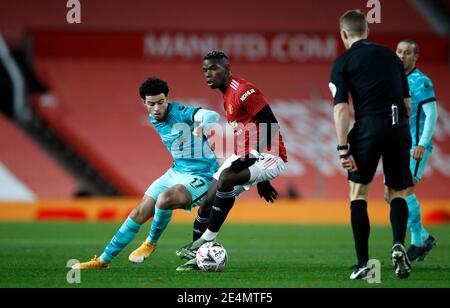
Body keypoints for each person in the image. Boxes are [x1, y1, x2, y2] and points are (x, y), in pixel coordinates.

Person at [72, 77, 220, 269]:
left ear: (167, 99)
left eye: (161, 102)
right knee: (139, 211)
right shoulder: (153, 117)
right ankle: (103, 260)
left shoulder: (180, 112)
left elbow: (212, 116)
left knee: (165, 199)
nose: (157, 108)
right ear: (144, 103)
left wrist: (202, 126)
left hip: (202, 175)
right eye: (151, 104)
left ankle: (150, 243)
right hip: (177, 170)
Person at [175, 51, 288, 271]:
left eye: (214, 68)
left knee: (227, 179)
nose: (208, 74)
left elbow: (271, 124)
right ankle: (198, 258)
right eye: (205, 70)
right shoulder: (226, 95)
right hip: (251, 154)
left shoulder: (244, 91)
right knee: (208, 199)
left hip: (272, 155)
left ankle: (207, 239)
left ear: (227, 69)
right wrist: (260, 178)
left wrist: (251, 158)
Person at [329, 10, 413, 280]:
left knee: (359, 193)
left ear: (344, 33)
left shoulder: (343, 62)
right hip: (398, 125)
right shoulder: (391, 56)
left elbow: (341, 108)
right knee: (398, 192)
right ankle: (398, 243)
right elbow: (408, 104)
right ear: (367, 30)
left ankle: (364, 264)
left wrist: (343, 148)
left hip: (369, 127)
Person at [393, 39, 438, 262]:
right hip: (399, 145)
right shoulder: (395, 78)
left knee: (405, 190)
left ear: (416, 57)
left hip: (415, 146)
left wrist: (422, 143)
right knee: (393, 194)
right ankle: (424, 238)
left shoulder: (422, 82)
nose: (402, 56)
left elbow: (431, 114)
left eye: (407, 53)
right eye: (399, 51)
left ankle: (417, 242)